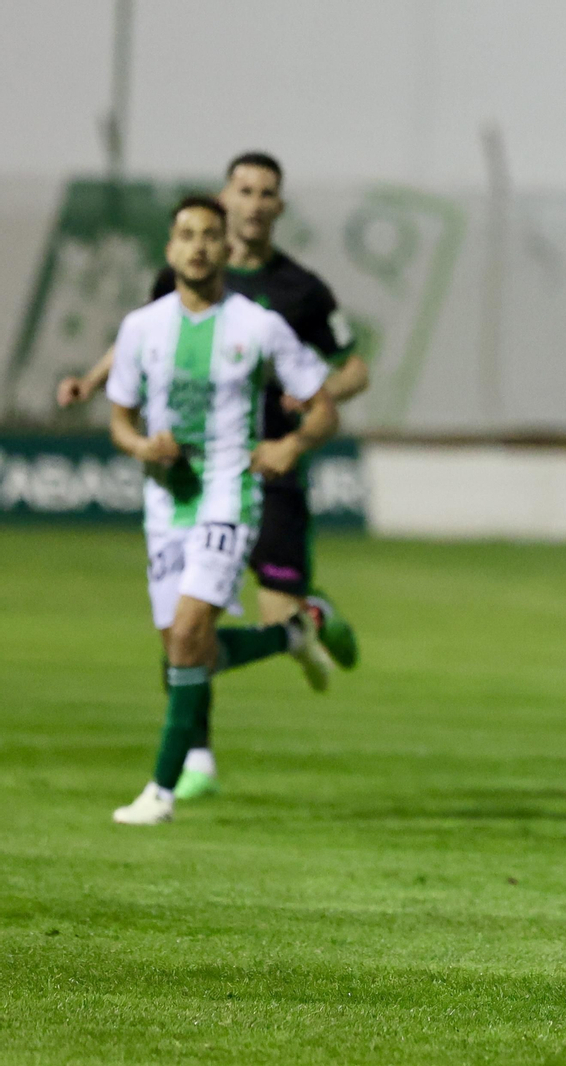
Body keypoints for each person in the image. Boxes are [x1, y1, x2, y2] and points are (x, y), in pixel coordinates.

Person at [59, 152, 363, 800]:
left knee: (208, 621)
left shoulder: (293, 295)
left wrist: (303, 414)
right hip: (173, 492)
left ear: (274, 208)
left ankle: (176, 775)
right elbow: (134, 347)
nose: (253, 203)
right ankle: (273, 656)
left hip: (258, 474)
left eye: (266, 193)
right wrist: (97, 390)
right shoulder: (162, 305)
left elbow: (350, 371)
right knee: (185, 639)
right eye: (243, 190)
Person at [106, 196, 341, 826]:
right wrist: (140, 445)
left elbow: (323, 404)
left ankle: (160, 792)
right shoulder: (142, 327)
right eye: (187, 234)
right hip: (165, 500)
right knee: (190, 653)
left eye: (210, 235)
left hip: (229, 496)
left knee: (186, 636)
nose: (199, 246)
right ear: (170, 248)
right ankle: (292, 633)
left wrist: (290, 444)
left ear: (224, 248)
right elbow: (119, 421)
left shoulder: (256, 326)